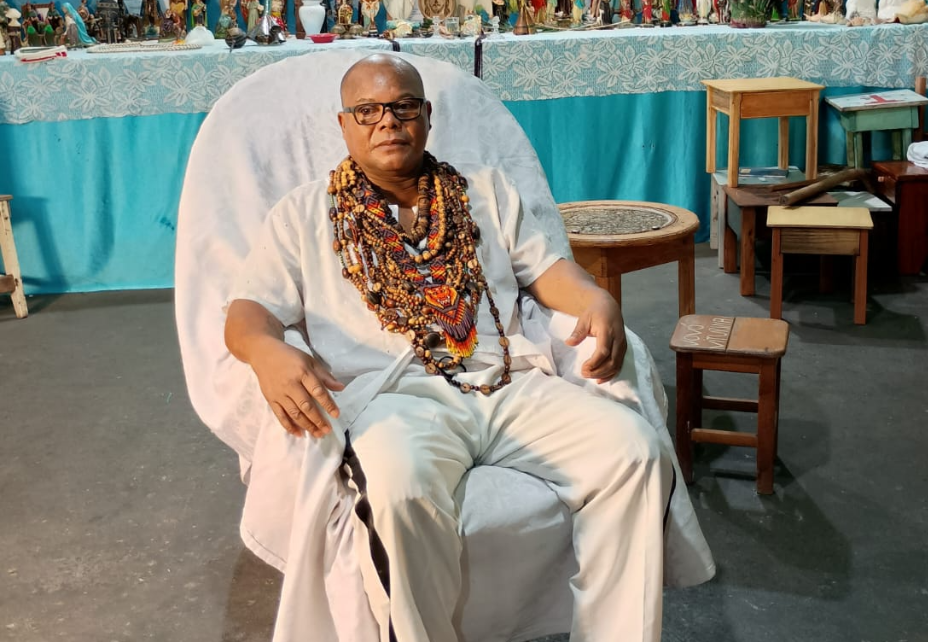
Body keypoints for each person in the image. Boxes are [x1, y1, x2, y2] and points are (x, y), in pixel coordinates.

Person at [224, 53, 711, 641]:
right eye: (368, 110)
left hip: (507, 381)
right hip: (394, 399)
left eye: (404, 106)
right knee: (398, 495)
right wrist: (265, 351)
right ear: (344, 124)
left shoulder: (483, 189)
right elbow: (247, 313)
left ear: (427, 115)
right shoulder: (303, 214)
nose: (388, 121)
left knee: (636, 454)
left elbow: (547, 271)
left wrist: (594, 298)